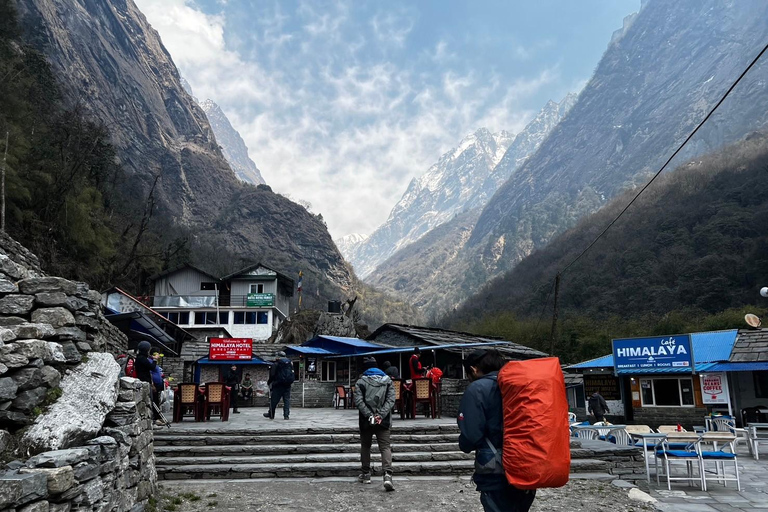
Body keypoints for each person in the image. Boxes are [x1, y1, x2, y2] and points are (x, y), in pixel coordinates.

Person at [458, 349, 535, 512]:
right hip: (526, 466)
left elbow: (471, 435)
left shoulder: (477, 389)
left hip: (494, 471)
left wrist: (463, 444)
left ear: (473, 369)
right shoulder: (518, 385)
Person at [354, 356, 396, 491]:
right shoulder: (388, 381)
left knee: (366, 446)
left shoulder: (360, 382)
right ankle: (387, 475)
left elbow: (359, 401)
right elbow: (391, 400)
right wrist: (380, 415)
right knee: (385, 447)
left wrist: (369, 415)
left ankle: (366, 474)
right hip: (383, 420)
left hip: (366, 420)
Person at [134, 341, 161, 424]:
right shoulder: (142, 358)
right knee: (150, 400)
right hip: (144, 381)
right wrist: (155, 359)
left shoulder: (140, 358)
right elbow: (152, 367)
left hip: (143, 380)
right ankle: (154, 419)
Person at [265, 351, 294, 419]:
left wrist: (269, 382)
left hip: (278, 384)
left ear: (278, 356)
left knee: (274, 400)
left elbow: (272, 375)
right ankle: (286, 415)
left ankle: (271, 414)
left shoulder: (276, 364)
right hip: (287, 385)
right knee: (286, 400)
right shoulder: (290, 363)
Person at [149, 351, 165, 424]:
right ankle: (156, 417)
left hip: (158, 384)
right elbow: (150, 373)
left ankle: (158, 416)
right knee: (155, 401)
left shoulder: (155, 362)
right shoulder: (150, 361)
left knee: (157, 401)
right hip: (154, 384)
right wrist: (152, 385)